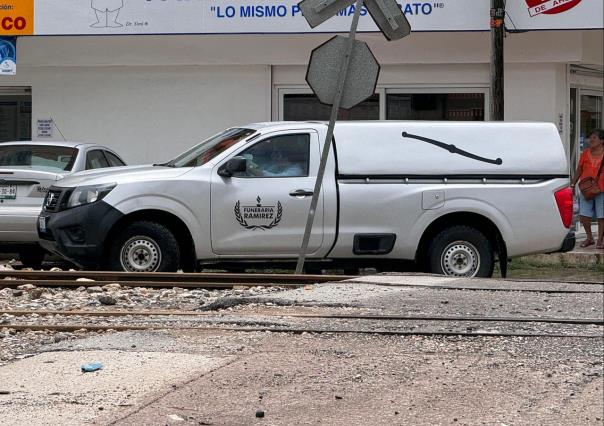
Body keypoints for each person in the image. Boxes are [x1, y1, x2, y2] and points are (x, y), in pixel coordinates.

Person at [570, 129, 604, 249]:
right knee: (584, 214)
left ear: (601, 140)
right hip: (586, 188)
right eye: (590, 137)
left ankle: (600, 240)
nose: (591, 140)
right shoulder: (585, 153)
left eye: (594, 137)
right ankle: (589, 237)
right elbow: (579, 169)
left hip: (602, 189)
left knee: (602, 215)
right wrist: (573, 183)